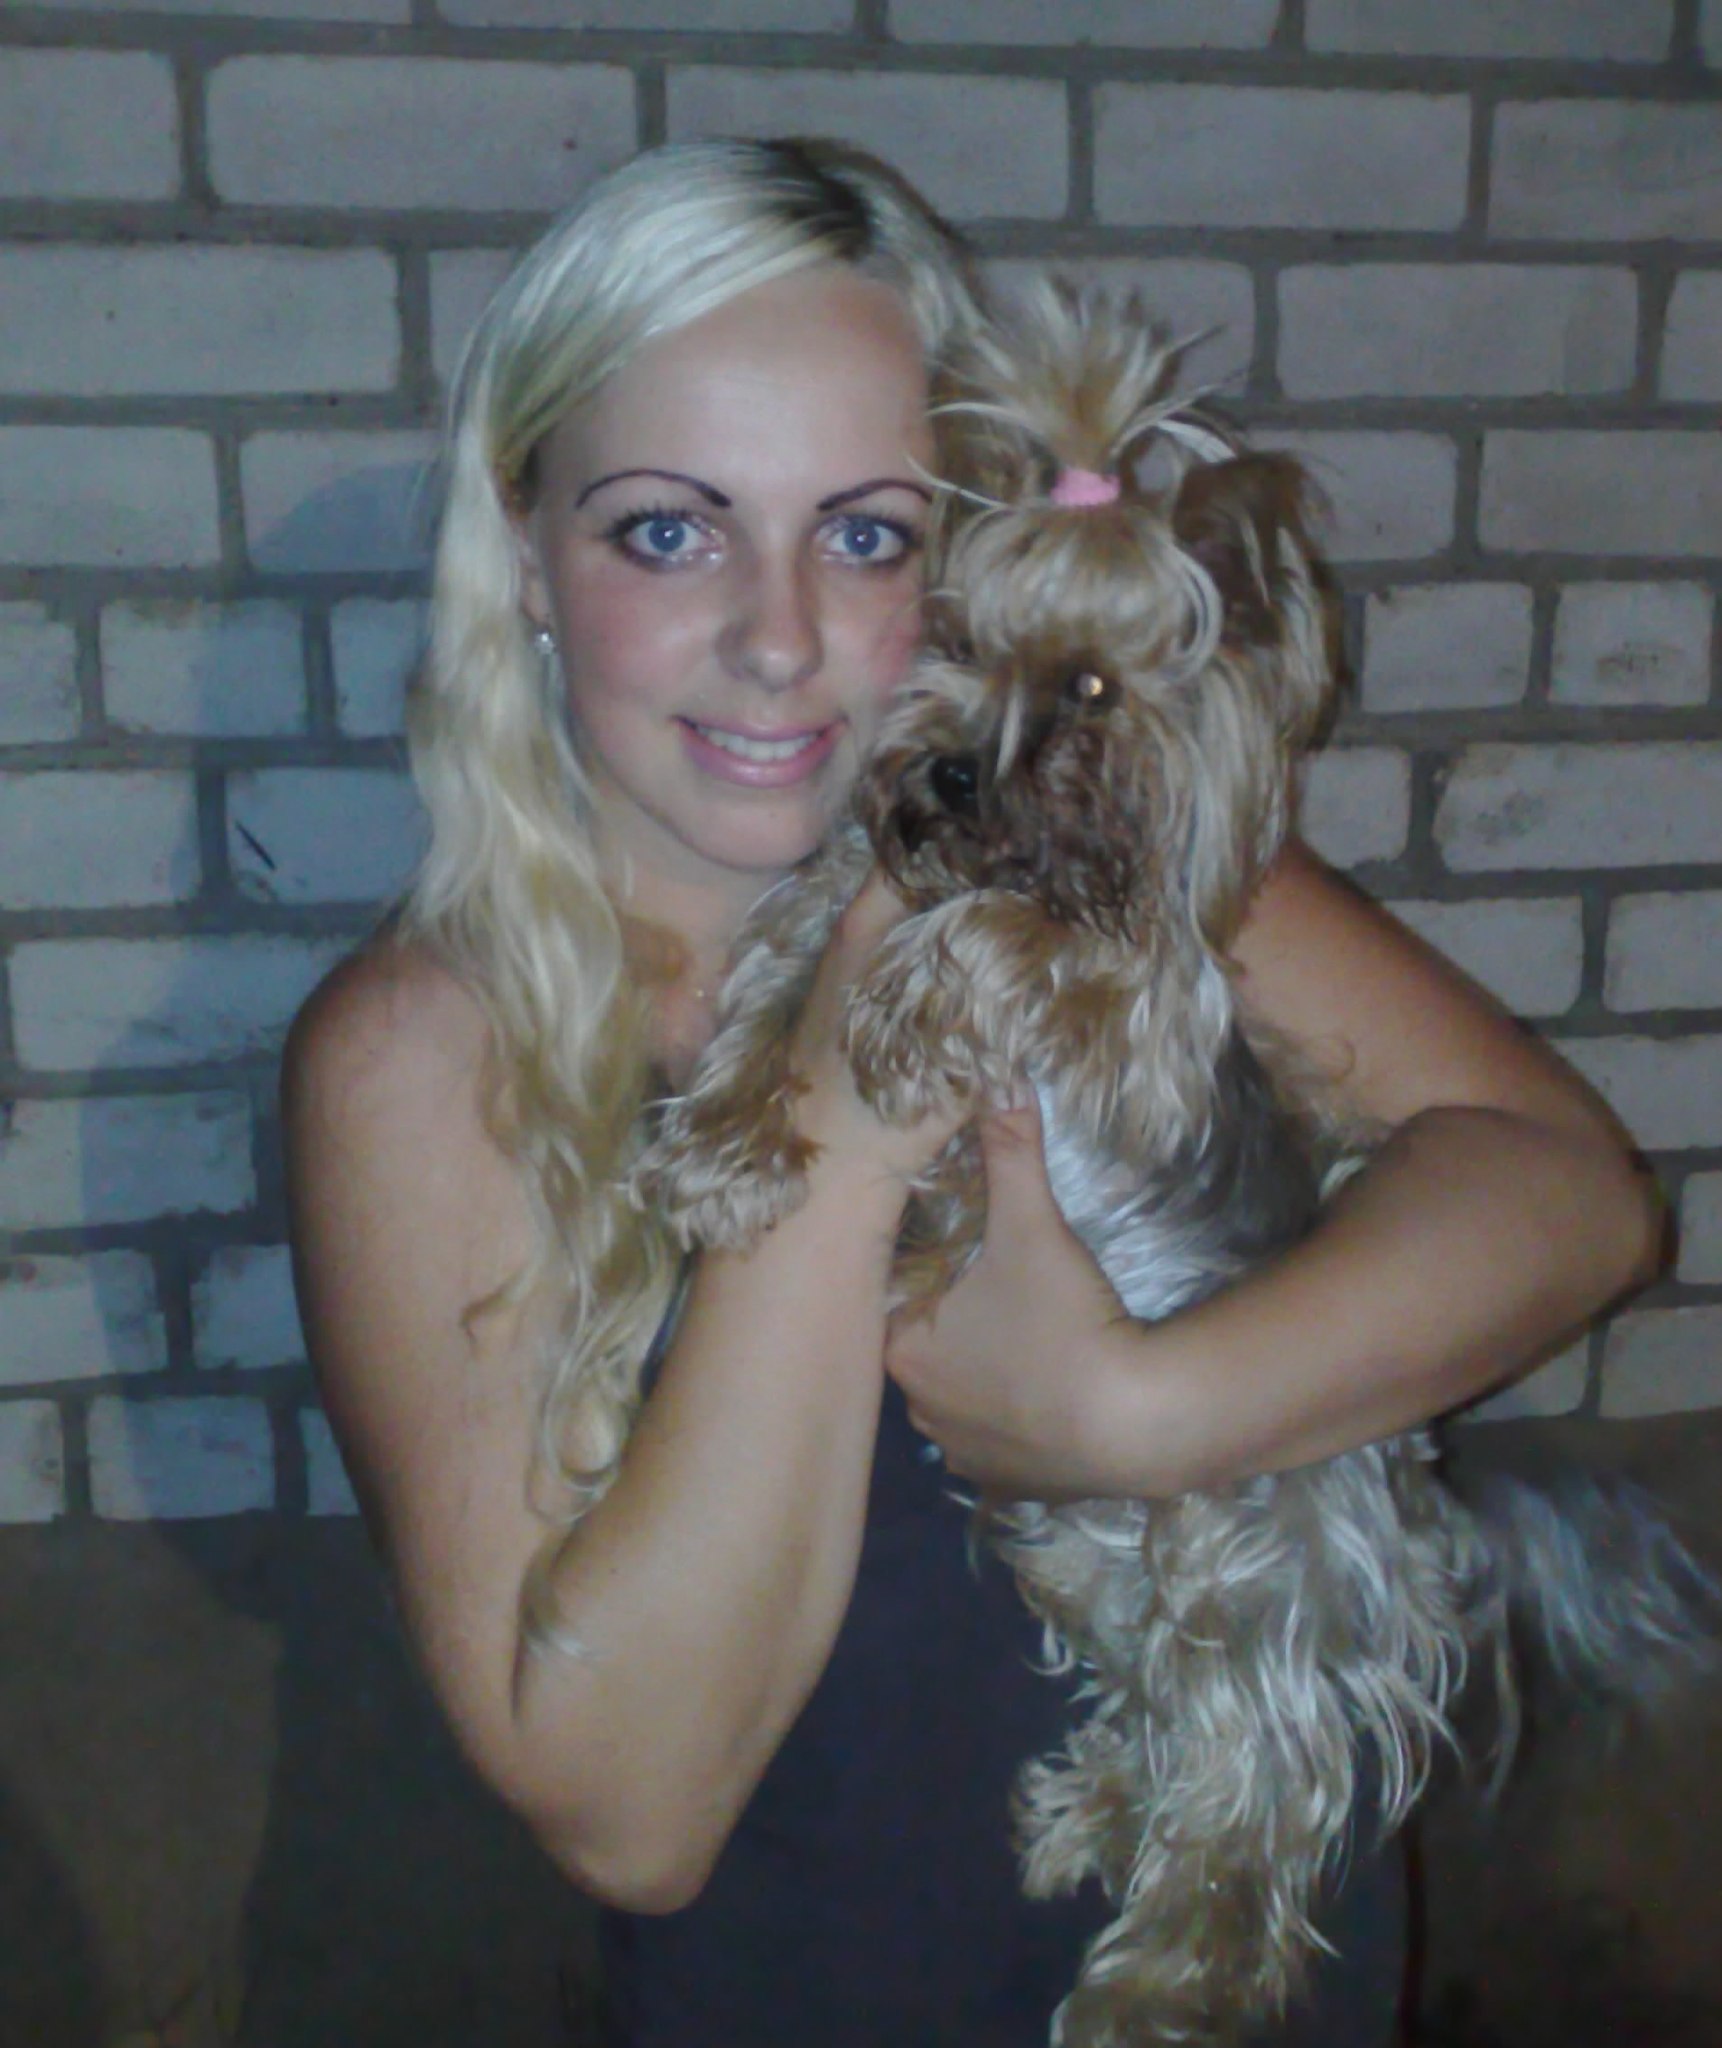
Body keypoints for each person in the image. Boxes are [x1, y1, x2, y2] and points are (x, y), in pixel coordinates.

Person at [282, 138, 1661, 2047]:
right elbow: (629, 1816)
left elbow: (1572, 1197)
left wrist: (1133, 1410)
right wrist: (840, 1121)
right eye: (669, 532)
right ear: (522, 546)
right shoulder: (422, 1060)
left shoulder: (1105, 843)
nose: (780, 638)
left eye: (864, 536)